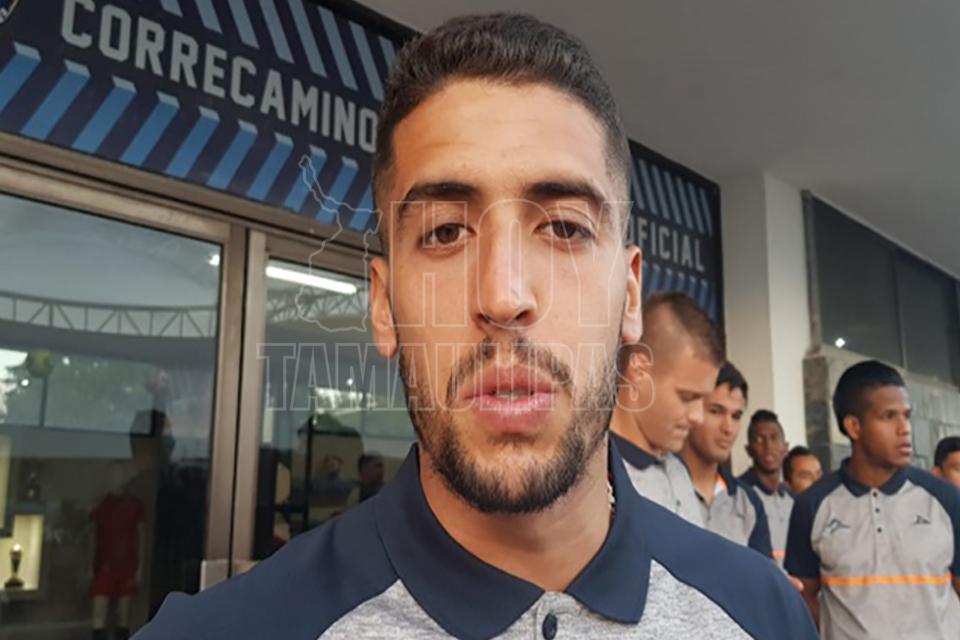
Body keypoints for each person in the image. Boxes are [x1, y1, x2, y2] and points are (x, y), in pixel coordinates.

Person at [135, 13, 815, 639]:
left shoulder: (761, 613)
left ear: (629, 295)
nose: (504, 296)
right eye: (445, 232)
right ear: (383, 304)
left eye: (564, 228)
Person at [786, 360, 960, 639]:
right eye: (889, 416)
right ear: (854, 427)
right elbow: (804, 597)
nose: (905, 429)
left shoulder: (946, 499)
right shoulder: (812, 505)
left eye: (906, 416)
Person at [610, 292, 720, 525]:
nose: (698, 417)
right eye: (687, 397)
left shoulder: (678, 471)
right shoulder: (592, 483)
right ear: (639, 371)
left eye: (703, 400)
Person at [681, 363, 773, 558]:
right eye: (716, 411)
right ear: (691, 410)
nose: (728, 428)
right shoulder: (656, 484)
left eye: (736, 416)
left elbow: (761, 572)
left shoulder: (747, 502)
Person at [740, 410, 794, 566]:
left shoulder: (792, 500)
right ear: (749, 449)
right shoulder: (739, 495)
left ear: (785, 448)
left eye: (774, 438)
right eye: (759, 440)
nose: (768, 447)